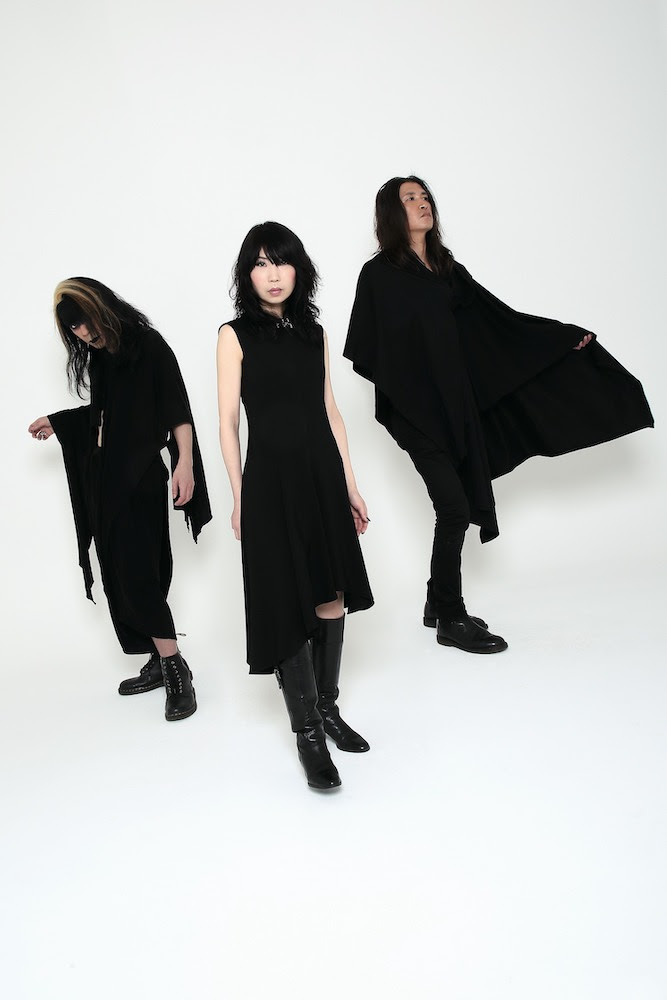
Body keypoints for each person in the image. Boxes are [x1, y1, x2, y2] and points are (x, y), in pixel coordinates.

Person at [344, 175, 653, 654]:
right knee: (454, 508)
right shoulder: (379, 275)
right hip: (413, 414)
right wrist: (409, 392)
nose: (422, 203)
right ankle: (451, 617)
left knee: (454, 506)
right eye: (410, 198)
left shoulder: (448, 269)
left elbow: (498, 321)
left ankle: (436, 603)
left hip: (454, 409)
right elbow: (369, 348)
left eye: (424, 196)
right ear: (391, 212)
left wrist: (559, 337)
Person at [217, 222, 373, 790]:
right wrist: (240, 496)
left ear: (298, 269)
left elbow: (331, 411)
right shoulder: (234, 335)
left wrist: (350, 485)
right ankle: (307, 735)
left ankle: (327, 708)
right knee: (286, 599)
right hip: (270, 484)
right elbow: (228, 424)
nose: (272, 274)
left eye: (280, 261)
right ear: (247, 275)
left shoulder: (314, 333)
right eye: (259, 264)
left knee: (331, 594)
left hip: (321, 477)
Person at [29, 277, 211, 720]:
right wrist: (59, 421)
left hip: (142, 477)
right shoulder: (100, 359)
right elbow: (104, 416)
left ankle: (176, 670)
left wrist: (185, 463)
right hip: (107, 480)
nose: (84, 332)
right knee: (119, 571)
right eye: (74, 328)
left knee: (139, 572)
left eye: (85, 320)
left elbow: (176, 409)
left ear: (103, 307)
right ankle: (158, 660)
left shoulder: (148, 345)